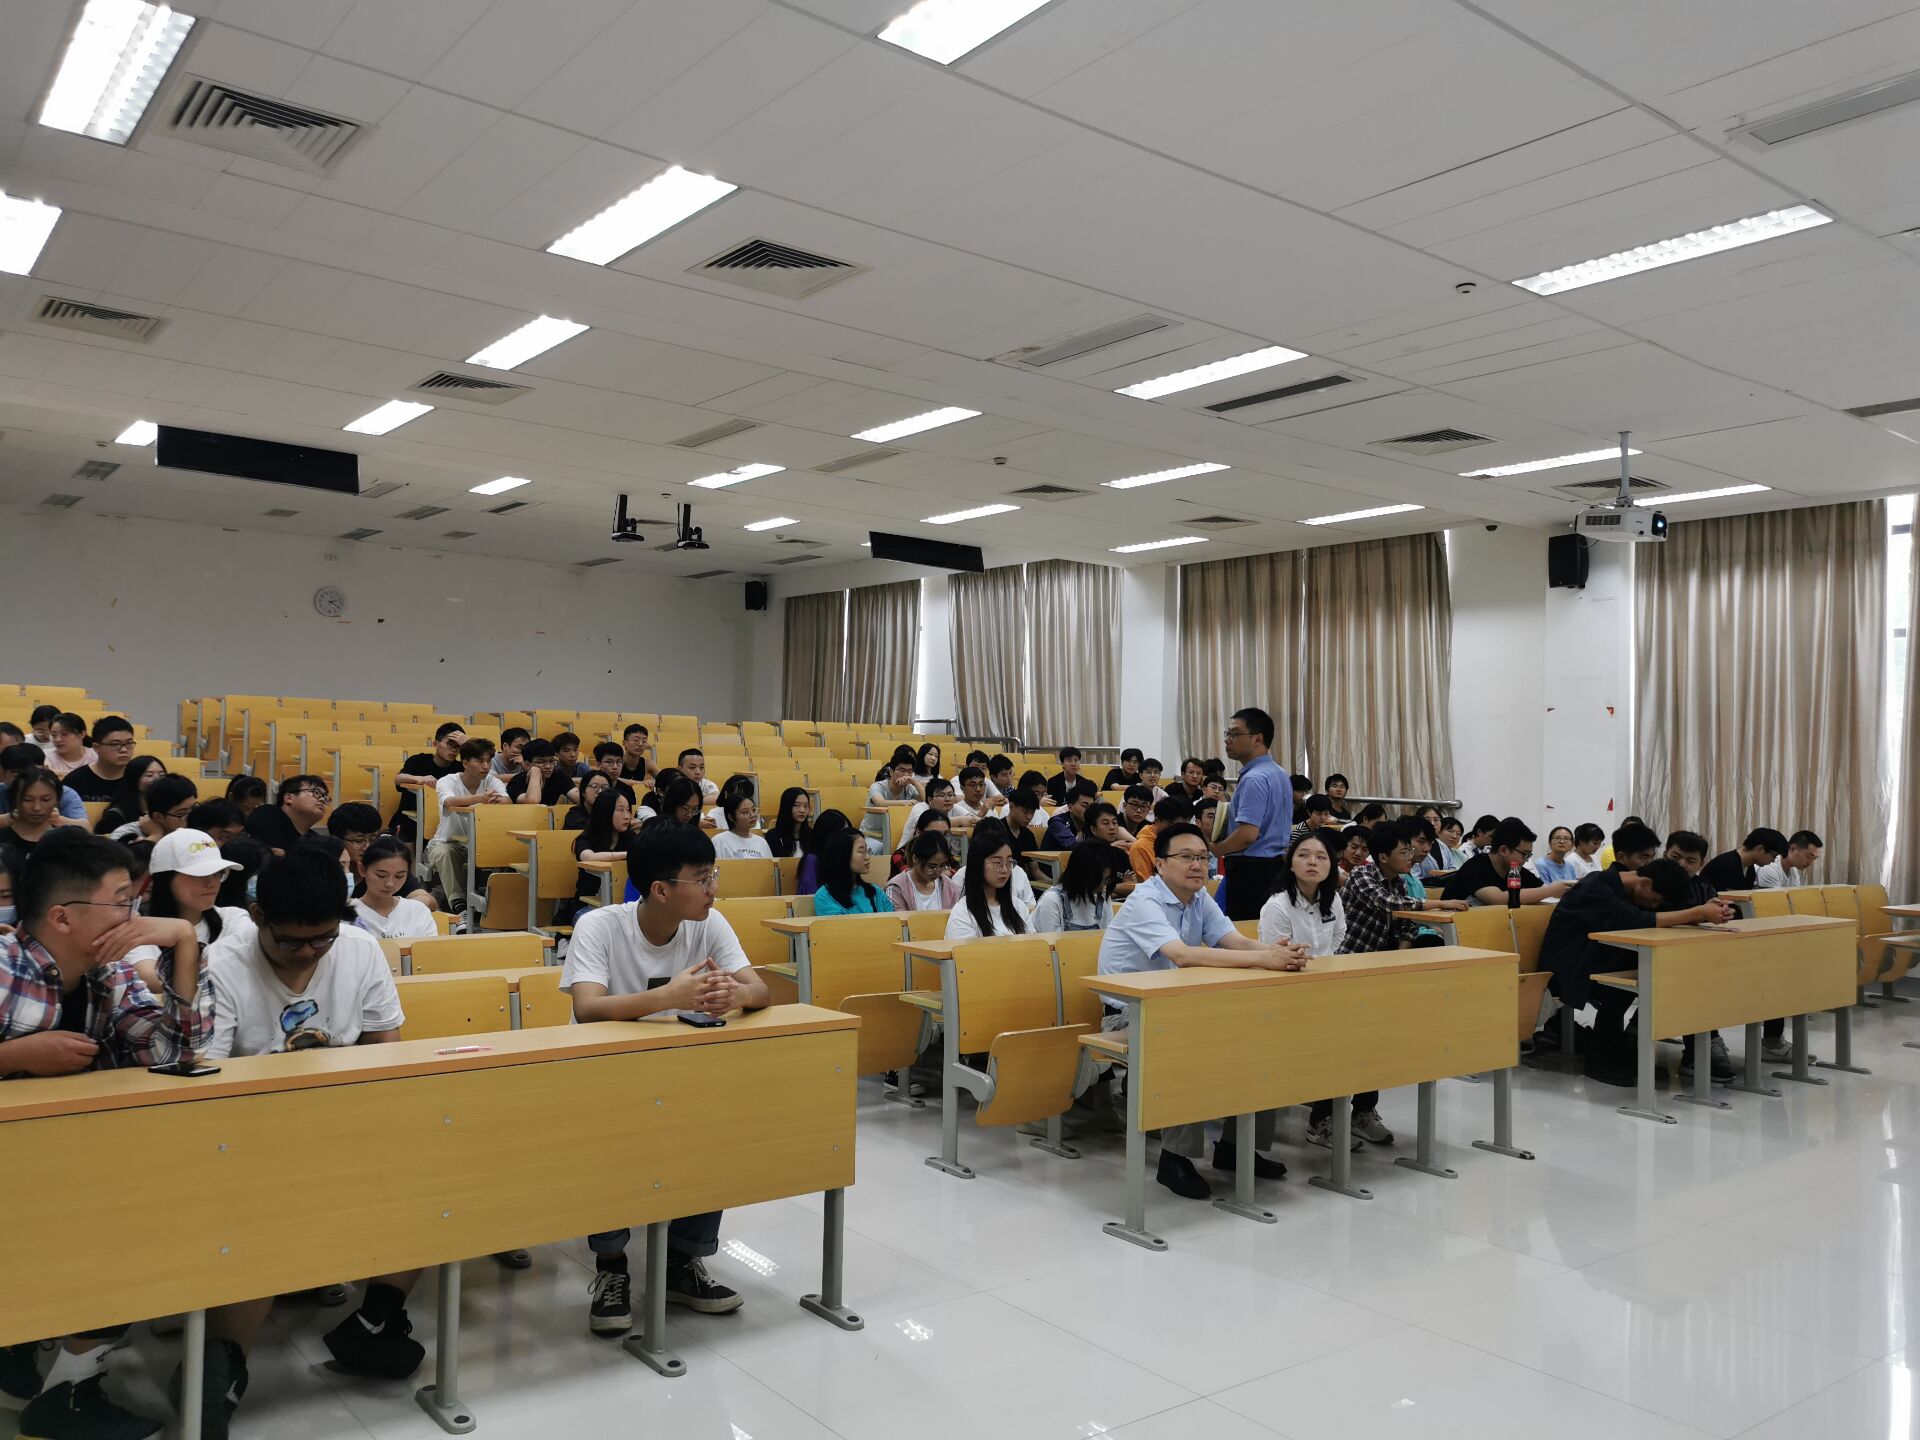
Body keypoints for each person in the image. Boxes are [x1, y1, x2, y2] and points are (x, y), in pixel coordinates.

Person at [195, 848, 423, 1422]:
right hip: (250, 1131)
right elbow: (208, 1082)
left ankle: (377, 1320)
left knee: (424, 1182)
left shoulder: (358, 949)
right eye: (291, 942)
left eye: (321, 939)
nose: (306, 953)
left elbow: (385, 1049)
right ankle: (220, 1368)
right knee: (266, 1217)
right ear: (258, 916)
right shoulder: (221, 965)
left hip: (346, 1118)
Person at [0, 832, 214, 1439]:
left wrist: (184, 941)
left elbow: (178, 1053)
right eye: (121, 901)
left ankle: (63, 1385)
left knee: (147, 1213)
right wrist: (14, 1056)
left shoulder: (110, 974)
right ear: (63, 916)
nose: (133, 916)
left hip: (78, 1167)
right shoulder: (3, 966)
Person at [562, 824, 767, 1330]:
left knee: (714, 1129)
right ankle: (611, 1267)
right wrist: (668, 997)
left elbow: (760, 990)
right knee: (611, 1146)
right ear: (660, 889)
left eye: (713, 875)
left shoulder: (709, 923)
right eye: (703, 878)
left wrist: (739, 995)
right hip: (603, 1074)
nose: (714, 888)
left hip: (679, 1070)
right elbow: (587, 1008)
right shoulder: (599, 926)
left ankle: (681, 1264)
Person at [1099, 822, 1307, 1198]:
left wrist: (1279, 953)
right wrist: (1265, 959)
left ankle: (1236, 1147)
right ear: (1160, 864)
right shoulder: (1144, 901)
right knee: (1188, 1042)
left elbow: (1235, 942)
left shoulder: (1198, 898)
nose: (1197, 865)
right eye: (1186, 857)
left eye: (1202, 857)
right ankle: (1174, 1158)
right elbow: (1182, 955)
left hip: (1182, 1005)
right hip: (1130, 1012)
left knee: (1263, 1037)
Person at [1313, 820, 1467, 1148]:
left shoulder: (1399, 882)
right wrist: (1440, 903)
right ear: (1383, 856)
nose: (1411, 856)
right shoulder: (1363, 876)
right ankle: (1321, 1119)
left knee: (1373, 1045)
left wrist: (1399, 960)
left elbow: (1405, 925)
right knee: (1340, 1048)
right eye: (1404, 851)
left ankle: (1363, 1112)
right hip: (1346, 970)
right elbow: (1390, 905)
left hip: (1377, 972)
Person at [1542, 857, 1733, 1086]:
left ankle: (1618, 1050)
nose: (1654, 905)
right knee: (1627, 975)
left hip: (1597, 957)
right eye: (1656, 900)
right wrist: (1697, 913)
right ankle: (1601, 1058)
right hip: (1568, 967)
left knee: (1646, 969)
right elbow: (1636, 919)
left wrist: (1703, 911)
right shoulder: (1595, 888)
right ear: (1646, 883)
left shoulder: (1626, 888)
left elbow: (1658, 915)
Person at [1209, 707, 1291, 922]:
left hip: (1251, 870)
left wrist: (1217, 849)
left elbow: (1247, 835)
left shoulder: (1254, 778)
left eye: (1234, 734)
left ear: (1257, 739)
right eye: (1227, 733)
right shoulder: (1280, 773)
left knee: (1246, 930)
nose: (1227, 739)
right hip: (1276, 866)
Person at [428, 739, 508, 915]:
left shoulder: (492, 781)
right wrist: (481, 799)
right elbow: (450, 801)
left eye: (489, 761)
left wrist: (497, 800)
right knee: (445, 853)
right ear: (465, 763)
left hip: (481, 844)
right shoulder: (448, 780)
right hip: (448, 842)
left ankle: (493, 905)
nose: (486, 766)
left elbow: (507, 801)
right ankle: (460, 907)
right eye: (480, 761)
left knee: (506, 850)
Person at [1441, 818, 1572, 905]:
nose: (1526, 860)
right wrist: (1550, 891)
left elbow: (1540, 889)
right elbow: (1497, 899)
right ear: (1503, 850)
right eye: (1524, 854)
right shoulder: (1476, 866)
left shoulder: (1517, 870)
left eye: (1529, 855)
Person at [1258, 831, 1345, 953]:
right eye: (1303, 855)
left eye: (1321, 857)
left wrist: (1322, 958)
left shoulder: (1333, 897)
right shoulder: (1277, 906)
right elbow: (1276, 953)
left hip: (1325, 964)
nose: (1312, 862)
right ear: (1291, 865)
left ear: (1331, 865)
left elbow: (1339, 934)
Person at [945, 833, 1036, 940]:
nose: (1005, 869)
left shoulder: (1018, 906)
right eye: (997, 862)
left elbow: (1033, 945)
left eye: (1009, 862)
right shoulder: (963, 913)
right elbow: (966, 951)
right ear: (978, 864)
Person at [351, 837, 439, 941]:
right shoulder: (347, 914)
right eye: (381, 875)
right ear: (362, 870)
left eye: (399, 876)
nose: (390, 884)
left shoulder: (418, 912)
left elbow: (430, 949)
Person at [0, 742, 90, 829]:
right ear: (2, 773)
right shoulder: (2, 791)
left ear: (45, 769)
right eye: (18, 775)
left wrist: (58, 820)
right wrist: (9, 818)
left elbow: (86, 828)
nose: (36, 808)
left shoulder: (65, 793)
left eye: (45, 799)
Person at [1032, 842, 1113, 932]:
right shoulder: (1051, 901)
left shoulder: (1103, 898)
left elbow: (1109, 937)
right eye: (1100, 880)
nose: (1104, 885)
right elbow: (1049, 940)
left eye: (1107, 880)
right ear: (1083, 876)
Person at [0, 769, 66, 879]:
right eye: (27, 800)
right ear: (15, 800)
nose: (37, 808)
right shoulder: (2, 839)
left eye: (45, 800)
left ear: (57, 800)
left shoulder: (68, 841)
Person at [57, 715, 135, 804]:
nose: (124, 750)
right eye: (115, 744)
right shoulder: (75, 781)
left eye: (129, 743)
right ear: (96, 747)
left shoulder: (139, 778)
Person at [812, 830, 894, 915]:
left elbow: (893, 920)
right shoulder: (825, 897)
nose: (867, 857)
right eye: (861, 852)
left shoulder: (875, 892)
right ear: (843, 855)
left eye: (866, 851)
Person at [245, 774, 329, 856]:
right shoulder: (267, 815)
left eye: (325, 797)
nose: (322, 799)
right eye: (316, 793)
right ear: (288, 798)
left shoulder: (315, 841)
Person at [107, 772, 198, 848]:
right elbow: (126, 862)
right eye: (182, 813)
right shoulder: (125, 834)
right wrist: (155, 835)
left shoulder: (197, 827)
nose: (191, 816)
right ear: (158, 816)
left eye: (194, 808)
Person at [885, 832, 961, 913]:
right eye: (932, 866)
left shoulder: (949, 887)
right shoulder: (896, 888)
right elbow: (897, 920)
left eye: (942, 866)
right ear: (915, 859)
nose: (937, 872)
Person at [96, 754, 170, 835]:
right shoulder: (116, 816)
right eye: (149, 775)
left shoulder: (172, 811)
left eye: (162, 775)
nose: (157, 779)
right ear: (134, 780)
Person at [1700, 827, 1786, 892]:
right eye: (1774, 856)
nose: (1773, 861)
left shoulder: (1750, 867)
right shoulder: (1727, 864)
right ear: (1760, 848)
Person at [1131, 795, 1192, 881]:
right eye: (1172, 825)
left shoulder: (1188, 841)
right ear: (1157, 821)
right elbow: (1146, 884)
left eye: (1182, 826)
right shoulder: (1141, 847)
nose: (1177, 830)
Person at [795, 809, 851, 896]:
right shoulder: (812, 860)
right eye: (844, 833)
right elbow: (811, 897)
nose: (849, 837)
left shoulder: (845, 856)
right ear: (829, 834)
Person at [713, 792, 772, 860]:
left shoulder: (761, 842)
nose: (752, 815)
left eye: (753, 810)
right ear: (731, 817)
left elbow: (769, 865)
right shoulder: (719, 841)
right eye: (745, 812)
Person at [507, 738, 567, 806]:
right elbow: (532, 802)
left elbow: (576, 795)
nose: (548, 766)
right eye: (541, 762)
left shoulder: (558, 776)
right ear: (527, 764)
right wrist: (535, 772)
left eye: (551, 761)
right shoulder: (516, 782)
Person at [1756, 830, 1822, 888]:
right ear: (1792, 849)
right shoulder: (1770, 867)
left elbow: (1795, 896)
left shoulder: (1793, 871)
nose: (1810, 863)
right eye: (1808, 856)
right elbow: (1775, 898)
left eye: (1814, 859)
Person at [43, 712, 95, 779]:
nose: (58, 740)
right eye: (53, 735)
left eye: (65, 734)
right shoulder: (46, 756)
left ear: (82, 734)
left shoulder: (97, 756)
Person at [765, 786, 813, 859]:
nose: (802, 810)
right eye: (796, 805)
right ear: (787, 807)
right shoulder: (773, 837)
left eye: (806, 806)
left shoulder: (811, 835)